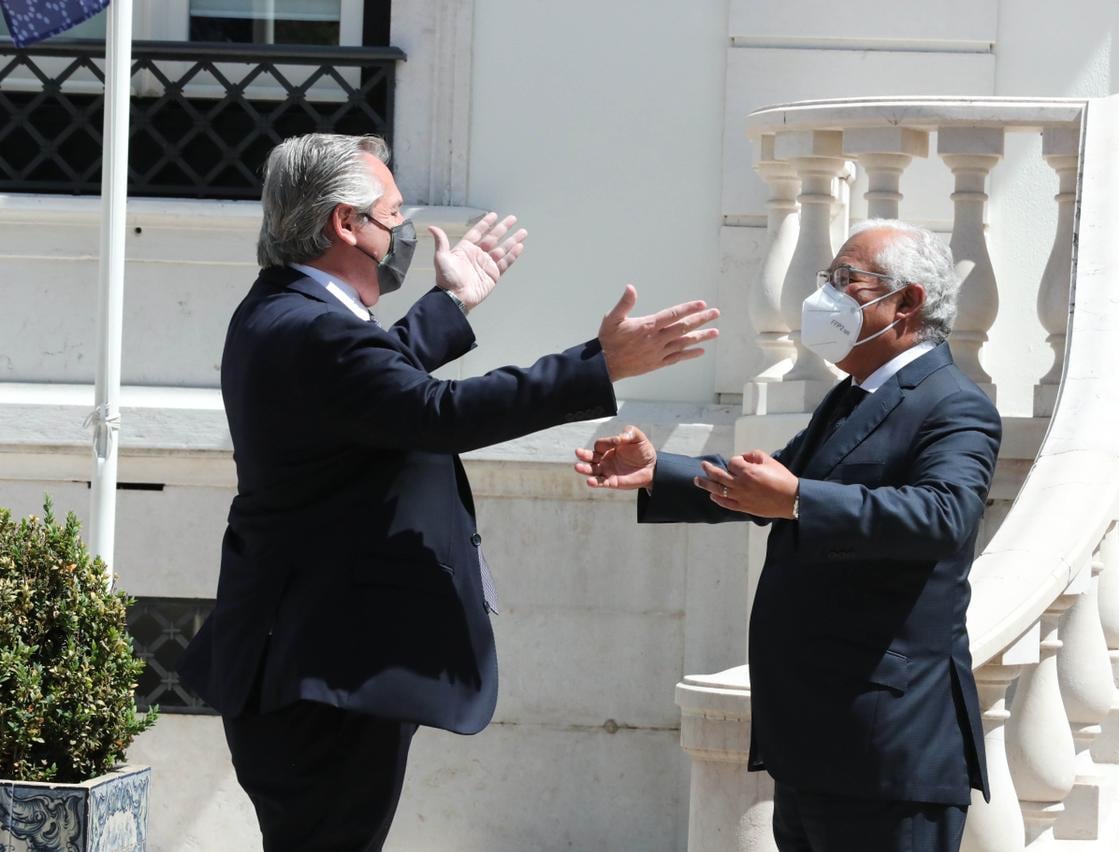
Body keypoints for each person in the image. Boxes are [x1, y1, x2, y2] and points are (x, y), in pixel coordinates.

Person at [179, 132, 719, 852]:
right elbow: (433, 413)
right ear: (346, 224)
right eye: (393, 214)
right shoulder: (316, 330)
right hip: (321, 673)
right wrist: (599, 365)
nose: (403, 230)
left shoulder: (285, 310)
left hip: (310, 662)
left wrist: (451, 302)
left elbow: (374, 392)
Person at [573, 220, 1001, 852]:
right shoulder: (851, 396)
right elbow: (764, 483)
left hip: (888, 747)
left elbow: (945, 515)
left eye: (846, 280)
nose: (824, 295)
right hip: (815, 742)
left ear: (907, 302)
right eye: (828, 277)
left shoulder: (952, 403)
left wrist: (799, 500)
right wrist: (658, 470)